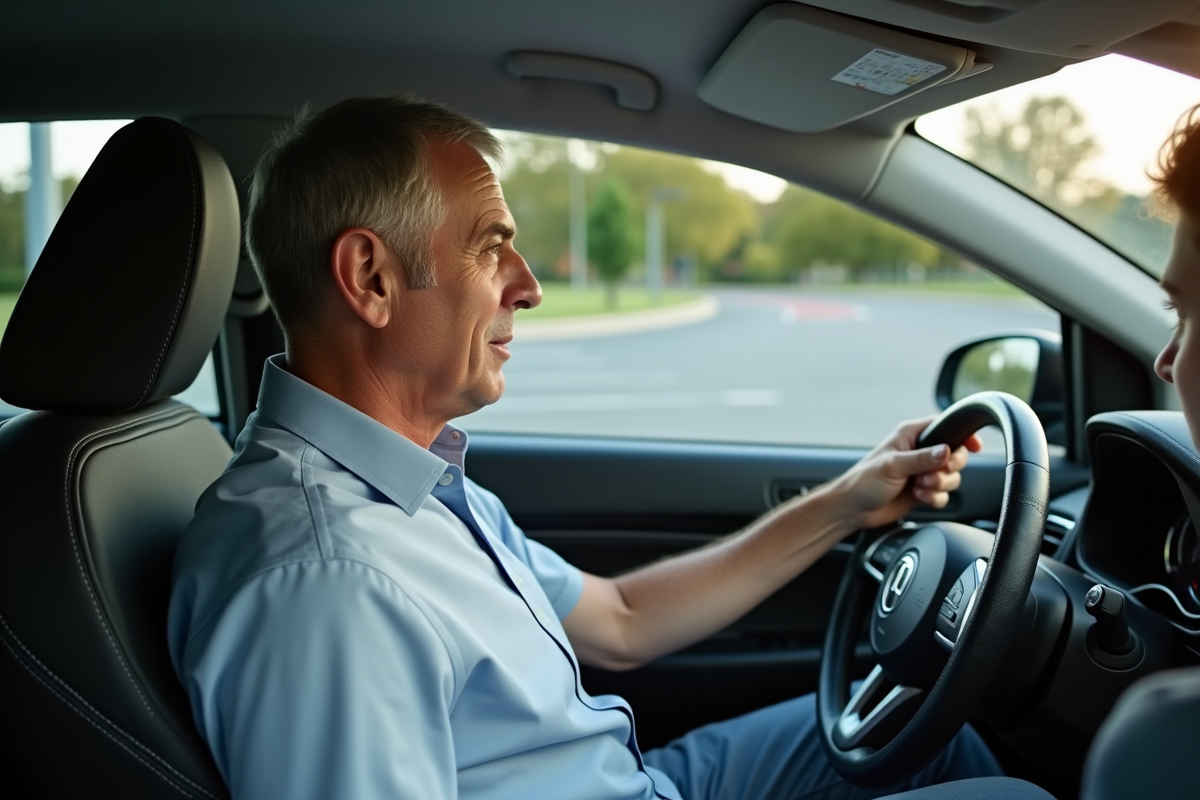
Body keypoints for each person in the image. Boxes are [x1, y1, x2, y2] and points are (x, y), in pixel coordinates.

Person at [168, 96, 1003, 800]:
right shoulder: (327, 581)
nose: (528, 286)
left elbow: (622, 621)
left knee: (924, 727)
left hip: (641, 776)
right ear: (371, 278)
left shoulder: (410, 483)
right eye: (491, 245)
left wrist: (849, 500)